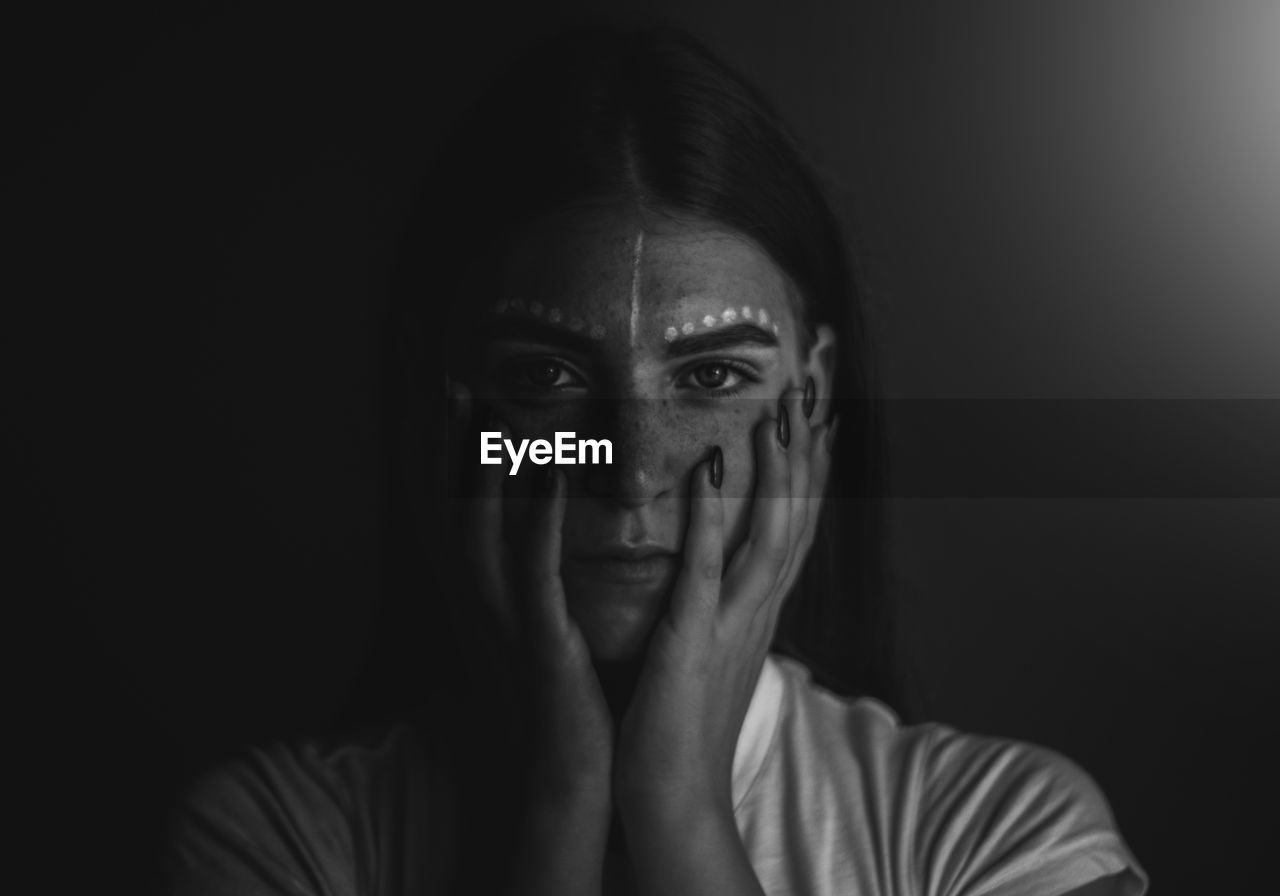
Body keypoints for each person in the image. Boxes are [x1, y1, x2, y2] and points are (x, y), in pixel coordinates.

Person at [167, 23, 1148, 896]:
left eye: (712, 376)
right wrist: (558, 808)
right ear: (447, 408)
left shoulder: (1005, 833)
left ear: (809, 400)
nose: (631, 474)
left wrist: (675, 806)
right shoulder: (279, 839)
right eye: (546, 375)